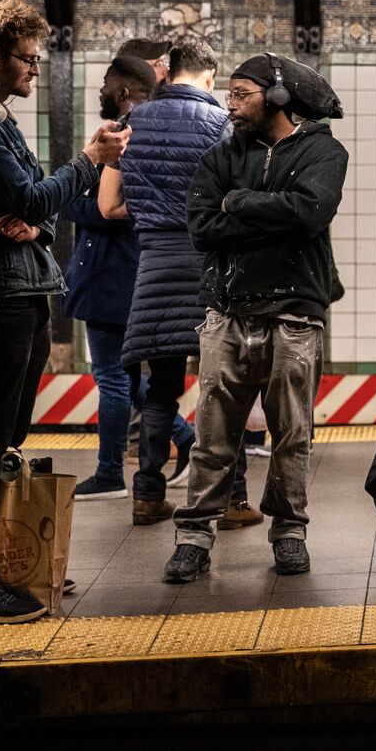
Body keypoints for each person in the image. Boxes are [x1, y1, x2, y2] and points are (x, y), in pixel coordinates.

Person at [0, 0, 129, 622]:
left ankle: (4, 561)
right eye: (28, 61)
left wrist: (31, 215)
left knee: (5, 437)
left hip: (24, 286)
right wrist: (88, 162)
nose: (35, 70)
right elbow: (33, 198)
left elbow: (31, 205)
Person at [164, 52, 348, 582]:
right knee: (212, 435)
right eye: (231, 95)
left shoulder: (323, 152)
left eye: (242, 94)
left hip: (294, 313)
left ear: (278, 97)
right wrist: (273, 213)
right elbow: (201, 228)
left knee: (292, 434)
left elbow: (310, 212)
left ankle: (289, 532)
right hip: (227, 312)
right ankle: (194, 536)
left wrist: (239, 202)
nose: (231, 105)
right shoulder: (220, 155)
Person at [99, 37, 234, 526]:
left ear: (166, 73)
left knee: (162, 388)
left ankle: (148, 495)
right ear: (209, 76)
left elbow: (108, 207)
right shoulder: (221, 124)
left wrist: (157, 213)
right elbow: (231, 203)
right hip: (208, 267)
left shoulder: (129, 124)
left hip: (153, 268)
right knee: (224, 386)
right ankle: (232, 500)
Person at [63, 56, 156, 500]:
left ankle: (108, 473)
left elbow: (110, 208)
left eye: (106, 82)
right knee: (129, 378)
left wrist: (68, 200)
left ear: (122, 90)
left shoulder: (123, 135)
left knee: (112, 377)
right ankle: (183, 438)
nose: (102, 88)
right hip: (127, 272)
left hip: (110, 275)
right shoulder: (154, 130)